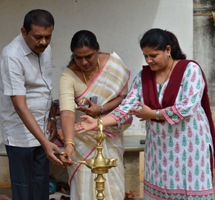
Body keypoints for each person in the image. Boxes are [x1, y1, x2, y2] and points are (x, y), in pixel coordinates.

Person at [75, 28, 215, 199]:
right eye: (145, 56)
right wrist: (98, 122)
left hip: (189, 145)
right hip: (159, 148)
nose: (149, 60)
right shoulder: (144, 76)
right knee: (160, 190)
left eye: (153, 55)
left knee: (188, 191)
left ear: (168, 50)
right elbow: (126, 107)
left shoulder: (189, 69)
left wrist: (153, 114)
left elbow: (188, 106)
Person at [0, 9, 64, 200]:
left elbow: (46, 86)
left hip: (43, 128)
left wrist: (51, 116)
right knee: (24, 187)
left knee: (41, 184)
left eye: (48, 36)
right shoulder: (11, 56)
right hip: (20, 134)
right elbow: (20, 106)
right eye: (38, 37)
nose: (43, 41)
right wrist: (45, 143)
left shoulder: (45, 48)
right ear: (23, 32)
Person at [59, 30, 132, 200]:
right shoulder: (67, 76)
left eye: (89, 56)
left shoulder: (113, 63)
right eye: (78, 57)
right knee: (84, 188)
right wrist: (69, 144)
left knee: (112, 186)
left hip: (110, 135)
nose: (84, 62)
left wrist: (101, 109)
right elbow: (68, 112)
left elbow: (124, 98)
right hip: (82, 138)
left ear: (98, 49)